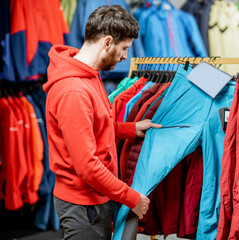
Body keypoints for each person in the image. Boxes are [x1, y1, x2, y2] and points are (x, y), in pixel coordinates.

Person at [43, 5, 161, 239]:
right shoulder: (74, 91)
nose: (126, 56)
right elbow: (87, 165)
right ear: (107, 42)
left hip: (95, 199)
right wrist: (131, 198)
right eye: (124, 48)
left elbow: (93, 128)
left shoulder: (90, 75)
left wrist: (131, 129)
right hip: (83, 205)